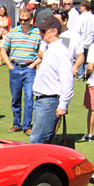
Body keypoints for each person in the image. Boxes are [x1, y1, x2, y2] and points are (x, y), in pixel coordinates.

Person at [29, 15, 74, 145]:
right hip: (43, 99)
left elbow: (67, 80)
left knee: (38, 140)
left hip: (49, 100)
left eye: (43, 31)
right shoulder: (50, 49)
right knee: (40, 139)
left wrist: (63, 104)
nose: (40, 34)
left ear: (54, 31)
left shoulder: (60, 51)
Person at [0, 8, 40, 133]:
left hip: (29, 68)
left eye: (26, 20)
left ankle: (27, 125)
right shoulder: (13, 32)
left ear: (31, 19)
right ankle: (17, 123)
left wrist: (33, 64)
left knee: (29, 97)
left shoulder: (37, 33)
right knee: (15, 98)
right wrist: (9, 65)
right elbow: (3, 50)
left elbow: (43, 52)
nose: (23, 22)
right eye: (21, 20)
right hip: (15, 67)